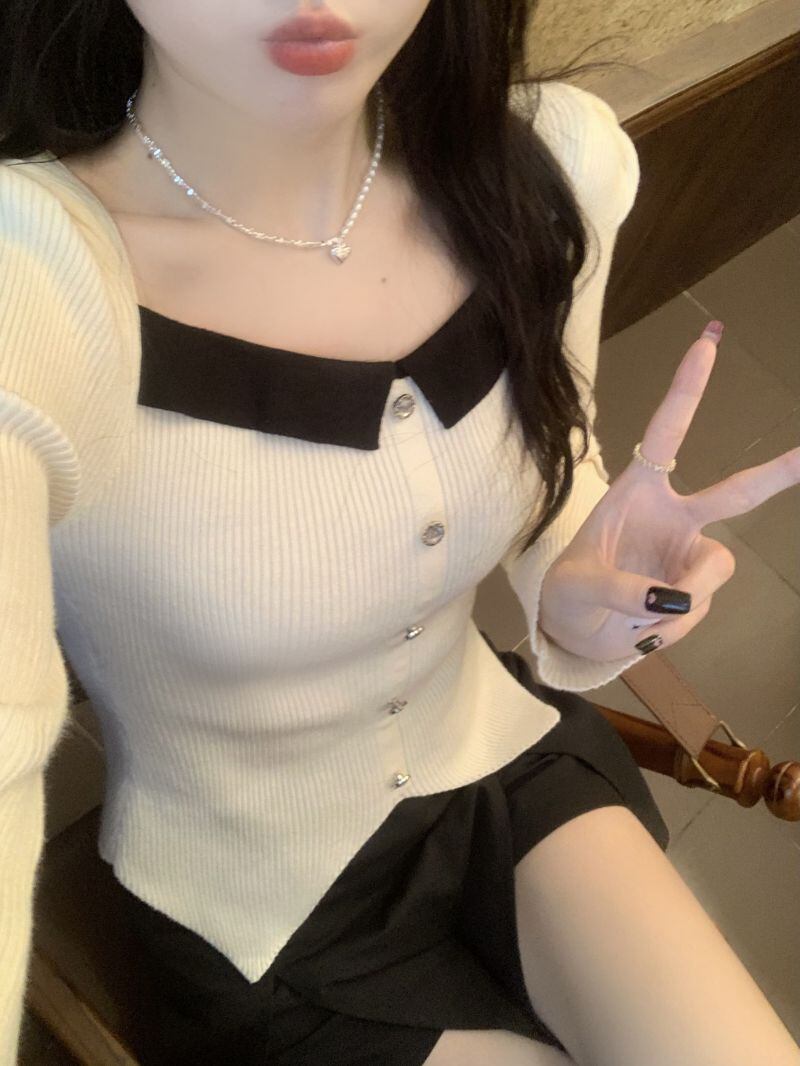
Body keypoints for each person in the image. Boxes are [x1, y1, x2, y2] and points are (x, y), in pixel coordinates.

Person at [1, 1, 799, 1064]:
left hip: (497, 764)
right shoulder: (32, 286)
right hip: (259, 909)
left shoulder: (546, 169)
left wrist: (573, 583)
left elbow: (557, 457)